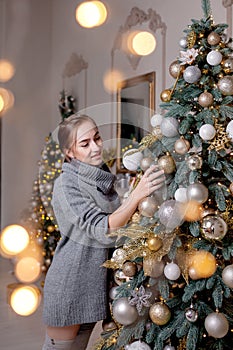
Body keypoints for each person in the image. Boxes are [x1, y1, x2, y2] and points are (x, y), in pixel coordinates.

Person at [42, 114, 165, 350]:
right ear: (70, 152)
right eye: (85, 144)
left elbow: (119, 225)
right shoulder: (66, 184)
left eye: (97, 138)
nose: (96, 147)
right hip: (71, 286)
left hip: (92, 286)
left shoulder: (99, 175)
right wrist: (136, 196)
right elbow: (102, 229)